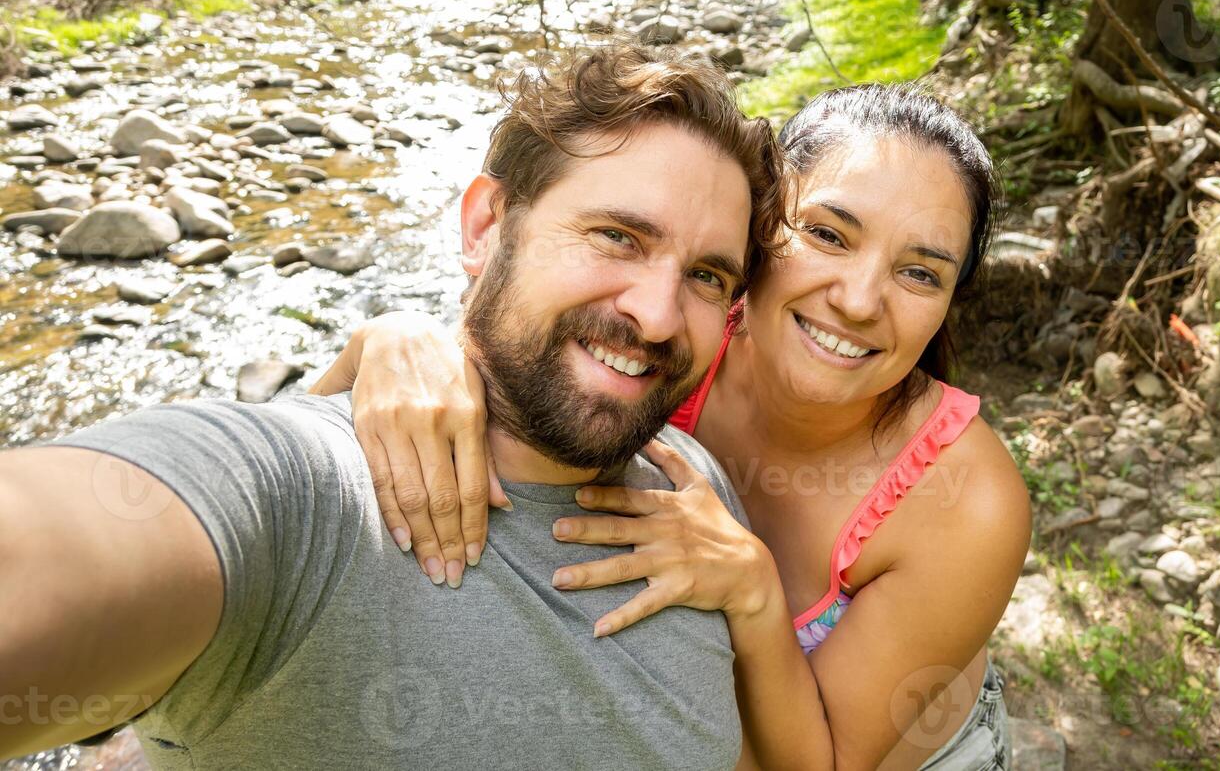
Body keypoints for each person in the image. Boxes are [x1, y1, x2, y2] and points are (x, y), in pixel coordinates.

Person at [0, 44, 789, 770]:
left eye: (706, 277)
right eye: (618, 236)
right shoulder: (305, 494)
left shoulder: (696, 492)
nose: (655, 315)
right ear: (484, 225)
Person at [317, 83, 1033, 769]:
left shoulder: (967, 502)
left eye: (920, 274)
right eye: (826, 234)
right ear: (755, 238)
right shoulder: (674, 328)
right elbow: (510, 347)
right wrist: (390, 341)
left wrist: (753, 589)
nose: (858, 299)